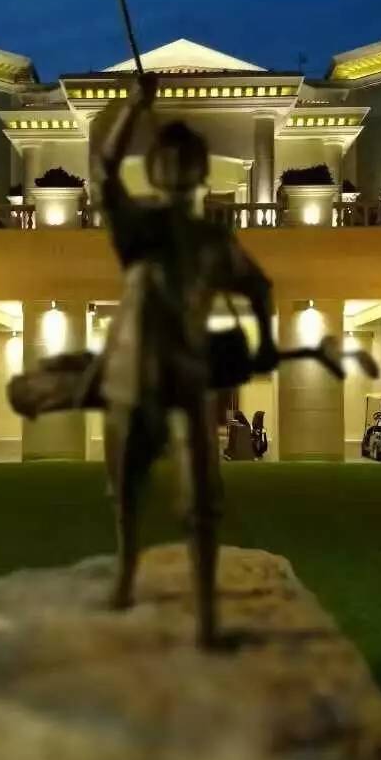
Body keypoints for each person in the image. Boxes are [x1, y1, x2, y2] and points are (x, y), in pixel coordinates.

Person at [95, 74, 276, 648]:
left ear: (198, 171)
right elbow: (103, 172)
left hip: (187, 375)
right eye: (167, 158)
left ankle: (205, 616)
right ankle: (126, 576)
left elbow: (259, 286)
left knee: (201, 499)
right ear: (156, 169)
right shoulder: (139, 227)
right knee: (126, 488)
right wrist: (132, 108)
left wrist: (266, 343)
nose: (175, 166)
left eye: (184, 158)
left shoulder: (211, 240)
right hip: (132, 376)